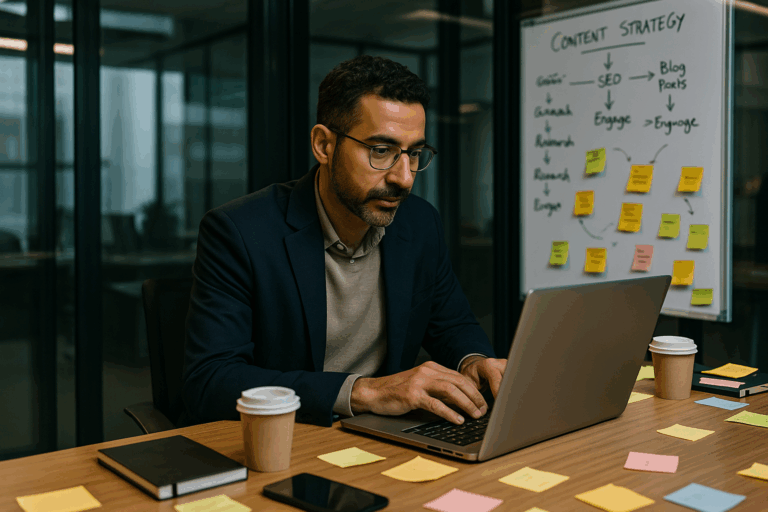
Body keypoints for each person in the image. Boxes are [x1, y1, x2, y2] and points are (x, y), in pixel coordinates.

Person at [181, 55, 507, 428]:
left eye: (414, 153)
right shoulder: (239, 232)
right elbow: (210, 381)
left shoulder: (419, 223)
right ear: (323, 145)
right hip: (291, 441)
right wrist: (366, 392)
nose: (404, 178)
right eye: (381, 151)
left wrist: (475, 362)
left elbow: (451, 324)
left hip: (384, 438)